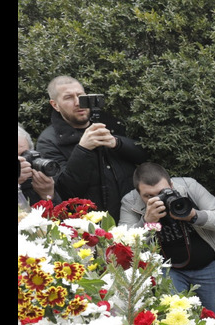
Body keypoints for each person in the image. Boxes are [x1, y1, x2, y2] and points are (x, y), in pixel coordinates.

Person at [120, 163, 215, 311]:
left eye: (163, 192)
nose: (158, 199)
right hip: (168, 272)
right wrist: (146, 222)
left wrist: (194, 216)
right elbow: (124, 244)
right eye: (149, 196)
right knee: (175, 322)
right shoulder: (130, 201)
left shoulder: (188, 186)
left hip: (210, 267)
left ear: (172, 184)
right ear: (138, 193)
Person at [37, 76, 148, 221]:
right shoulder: (48, 141)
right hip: (92, 226)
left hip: (134, 215)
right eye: (68, 98)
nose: (78, 103)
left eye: (81, 96)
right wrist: (83, 149)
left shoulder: (111, 123)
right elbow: (65, 191)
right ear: (55, 105)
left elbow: (144, 155)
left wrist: (117, 143)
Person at [18, 124, 59, 206]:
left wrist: (47, 194)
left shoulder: (34, 178)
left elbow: (58, 217)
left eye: (23, 155)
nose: (21, 161)